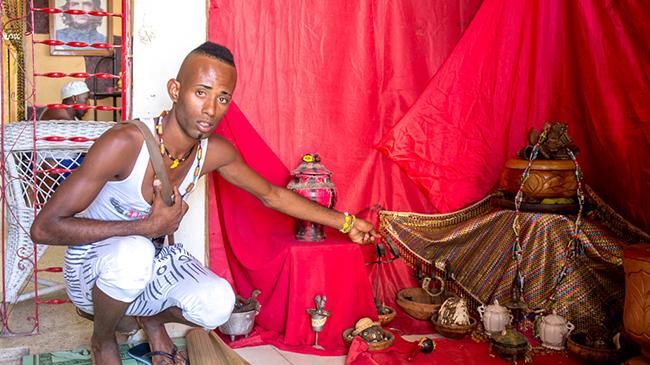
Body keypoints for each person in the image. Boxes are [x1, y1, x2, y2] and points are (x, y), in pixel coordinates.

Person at [30, 42, 379, 365]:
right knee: (134, 252)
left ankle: (149, 318)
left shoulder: (214, 153)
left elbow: (272, 195)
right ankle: (102, 338)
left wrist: (346, 223)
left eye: (223, 98)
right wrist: (147, 228)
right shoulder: (125, 143)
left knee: (218, 302)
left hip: (144, 264)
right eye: (201, 93)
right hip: (91, 268)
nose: (211, 109)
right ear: (175, 90)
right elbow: (44, 228)